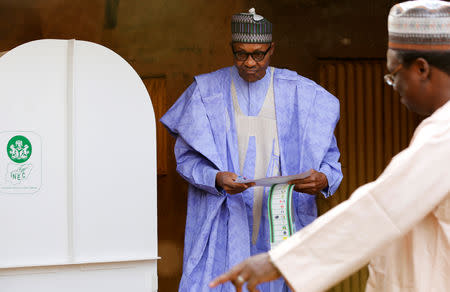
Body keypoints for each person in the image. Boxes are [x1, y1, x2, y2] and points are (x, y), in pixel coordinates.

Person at [209, 1, 450, 291]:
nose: (395, 86)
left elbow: (381, 207)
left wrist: (277, 262)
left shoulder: (443, 135)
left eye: (393, 75)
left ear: (421, 69)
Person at [161, 8, 343, 292]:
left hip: (283, 218)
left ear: (272, 49)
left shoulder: (302, 93)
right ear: (231, 49)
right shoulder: (206, 91)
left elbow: (331, 164)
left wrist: (323, 180)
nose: (249, 62)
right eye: (240, 53)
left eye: (258, 54)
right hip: (223, 220)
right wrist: (216, 178)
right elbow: (185, 160)